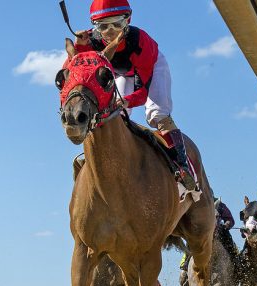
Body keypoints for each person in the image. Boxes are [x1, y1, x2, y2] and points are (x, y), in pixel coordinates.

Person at [72, 0, 197, 190]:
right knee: (111, 115)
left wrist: (123, 102)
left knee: (157, 114)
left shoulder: (140, 42)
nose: (111, 31)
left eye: (117, 23)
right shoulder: (91, 41)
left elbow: (142, 92)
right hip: (121, 72)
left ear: (128, 20)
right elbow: (80, 74)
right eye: (103, 26)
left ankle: (182, 165)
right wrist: (81, 48)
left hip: (151, 67)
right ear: (95, 26)